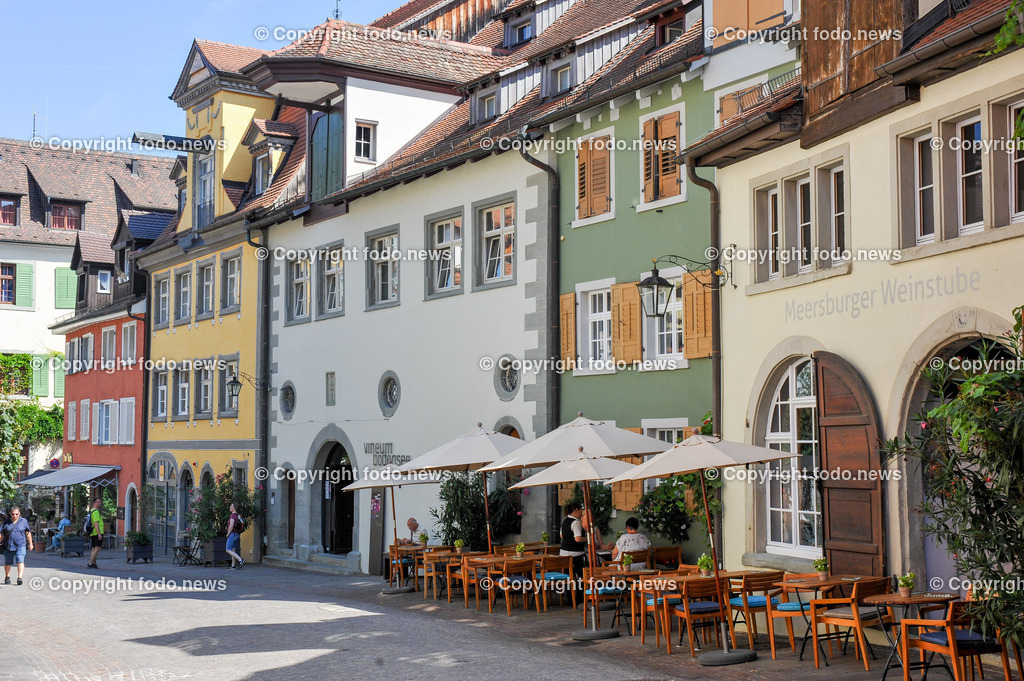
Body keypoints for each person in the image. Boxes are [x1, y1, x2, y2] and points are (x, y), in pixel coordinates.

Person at [1, 506, 33, 585]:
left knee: (20, 560)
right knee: (8, 563)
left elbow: (28, 533)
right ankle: (7, 576)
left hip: (20, 545)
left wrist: (31, 544)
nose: (15, 516)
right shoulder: (6, 522)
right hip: (8, 545)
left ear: (19, 513)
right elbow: (1, 533)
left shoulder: (24, 521)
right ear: (10, 514)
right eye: (13, 514)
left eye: (17, 514)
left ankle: (19, 578)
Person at [559, 503, 588, 581]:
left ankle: (568, 592)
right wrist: (588, 538)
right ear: (576, 510)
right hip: (575, 553)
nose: (581, 515)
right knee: (579, 575)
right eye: (581, 512)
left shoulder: (565, 521)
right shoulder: (576, 522)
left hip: (563, 553)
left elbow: (562, 535)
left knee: (567, 575)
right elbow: (578, 539)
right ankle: (579, 592)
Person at [225, 503, 245, 570]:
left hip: (232, 534)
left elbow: (231, 526)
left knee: (228, 549)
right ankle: (233, 565)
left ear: (234, 508)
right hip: (237, 534)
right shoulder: (238, 516)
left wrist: (228, 534)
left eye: (231, 506)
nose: (230, 507)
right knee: (233, 550)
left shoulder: (232, 516)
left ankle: (240, 560)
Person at [86, 498, 103, 569]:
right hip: (96, 532)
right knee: (98, 548)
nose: (100, 503)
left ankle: (94, 563)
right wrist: (99, 533)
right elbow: (96, 523)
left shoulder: (91, 511)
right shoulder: (96, 512)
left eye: (100, 502)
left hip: (92, 532)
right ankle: (90, 562)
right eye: (98, 502)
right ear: (94, 503)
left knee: (93, 548)